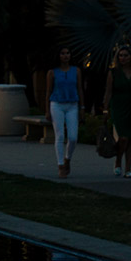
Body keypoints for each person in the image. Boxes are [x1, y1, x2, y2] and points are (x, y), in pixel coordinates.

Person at [102, 43, 131, 178]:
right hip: (119, 106)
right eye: (120, 56)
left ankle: (128, 168)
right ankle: (118, 161)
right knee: (123, 137)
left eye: (125, 55)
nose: (123, 58)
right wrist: (105, 109)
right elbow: (108, 92)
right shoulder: (113, 72)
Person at [46, 45, 83, 177]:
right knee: (60, 135)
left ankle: (68, 158)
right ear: (58, 55)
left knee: (73, 137)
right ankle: (60, 165)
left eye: (68, 53)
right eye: (62, 53)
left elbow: (79, 88)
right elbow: (48, 91)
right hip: (57, 104)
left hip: (72, 104)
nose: (65, 56)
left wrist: (82, 107)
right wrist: (47, 110)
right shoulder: (52, 72)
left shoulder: (76, 71)